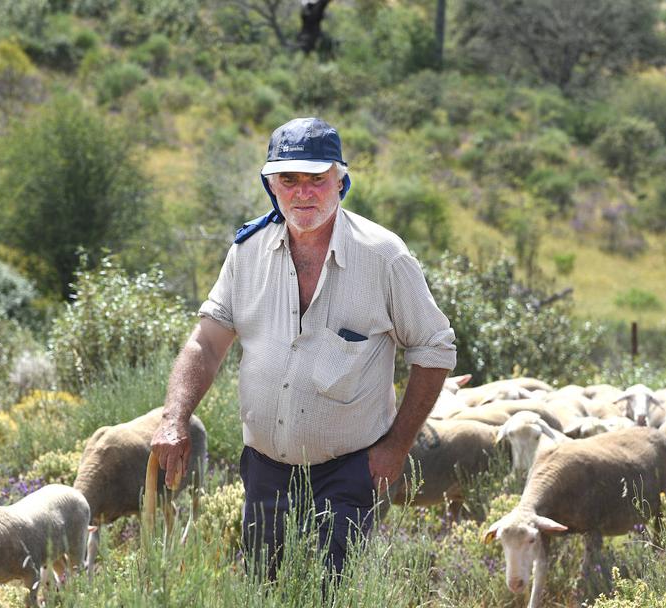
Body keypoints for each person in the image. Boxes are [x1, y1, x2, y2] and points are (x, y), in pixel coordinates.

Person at [151, 117, 456, 577]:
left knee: (333, 593)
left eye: (317, 178)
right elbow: (207, 343)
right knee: (265, 589)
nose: (303, 192)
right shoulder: (247, 252)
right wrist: (174, 418)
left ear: (340, 179)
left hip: (350, 472)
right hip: (265, 473)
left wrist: (396, 446)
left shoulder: (384, 256)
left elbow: (434, 348)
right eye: (288, 179)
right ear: (270, 184)